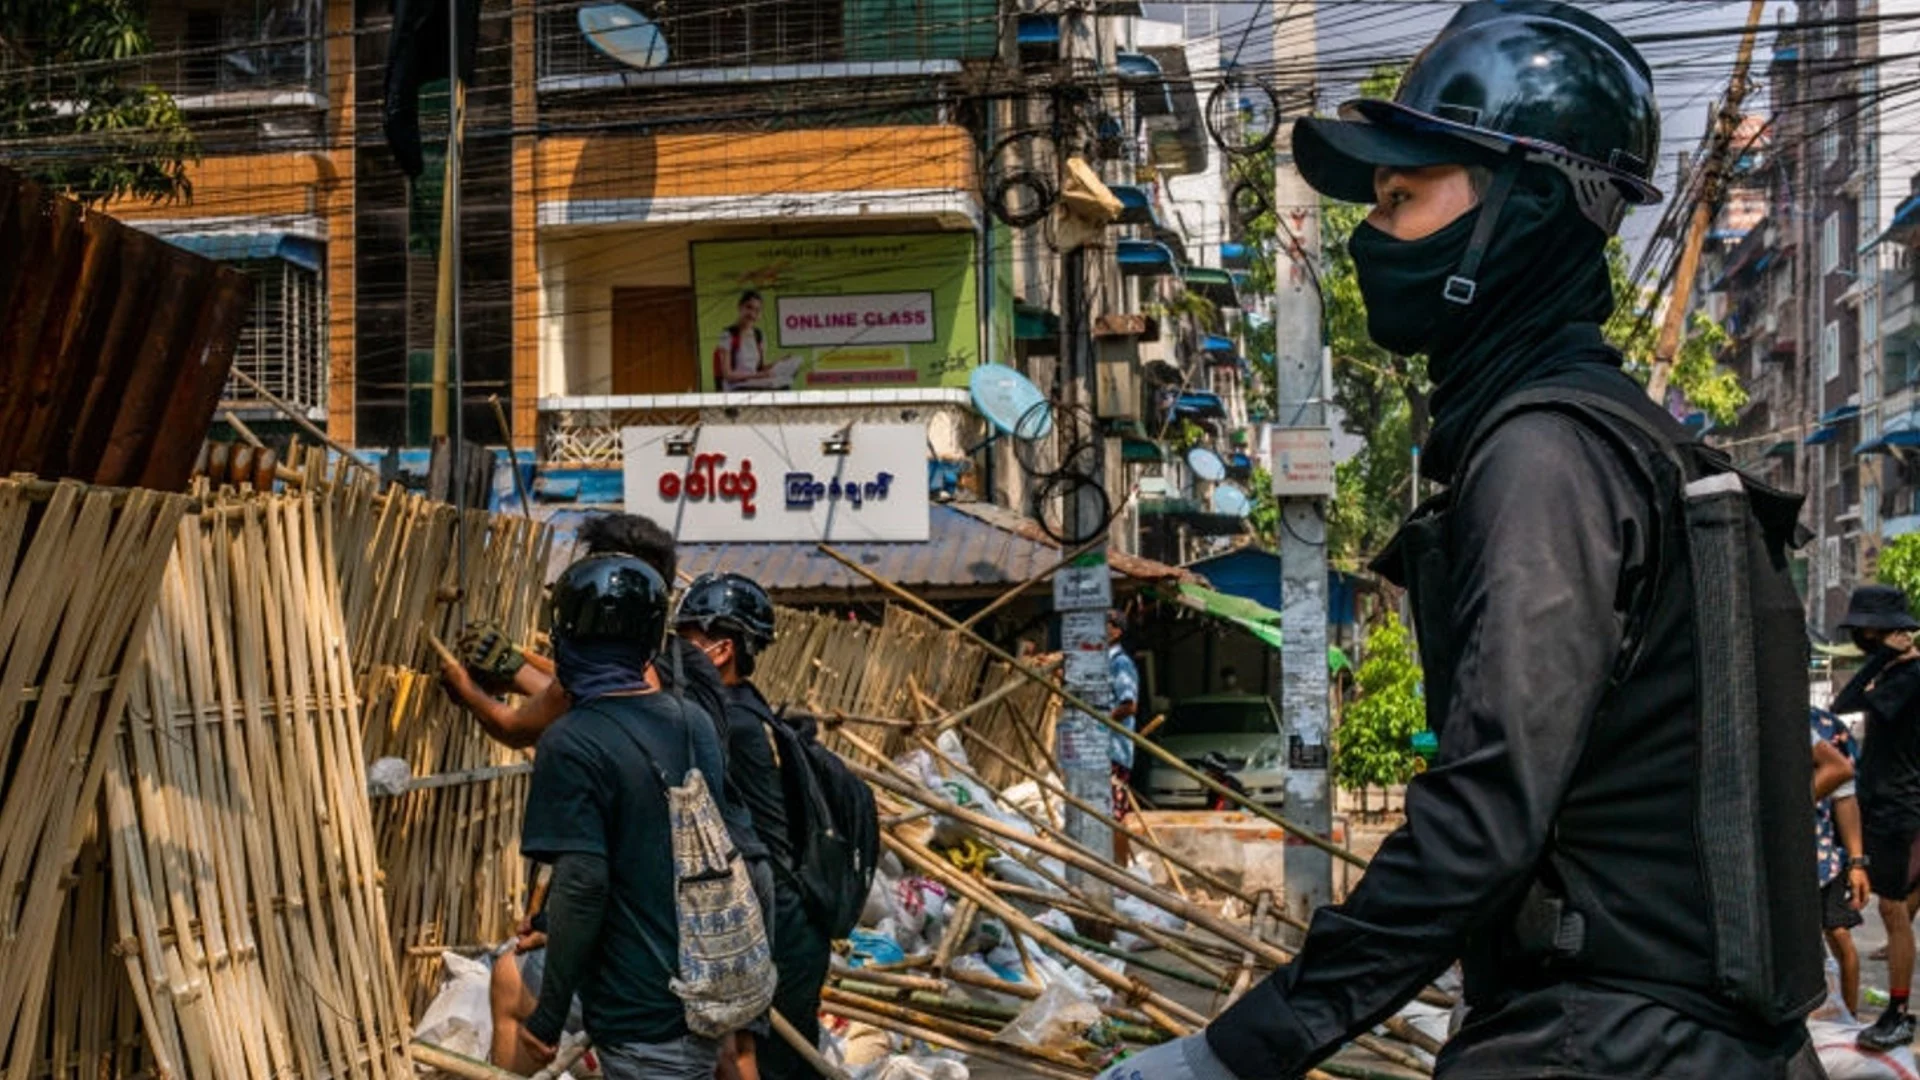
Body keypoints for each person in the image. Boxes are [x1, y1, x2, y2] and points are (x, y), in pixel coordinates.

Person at [1098, 4, 1824, 1077]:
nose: (1372, 234)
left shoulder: (1544, 455)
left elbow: (1486, 814)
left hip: (1595, 1045)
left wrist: (1239, 1051)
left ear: (1525, 207)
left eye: (1402, 197)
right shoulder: (1634, 442)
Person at [517, 553, 733, 1078]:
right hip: (704, 997)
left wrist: (548, 1016)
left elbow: (583, 885)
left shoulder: (572, 742)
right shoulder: (693, 724)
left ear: (565, 632)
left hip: (640, 1013)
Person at [675, 572, 832, 1080]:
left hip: (779, 918)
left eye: (686, 640)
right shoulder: (745, 707)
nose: (673, 653)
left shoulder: (723, 720)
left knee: (760, 1061)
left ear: (720, 650)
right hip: (792, 912)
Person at [1833, 584, 1920, 1049]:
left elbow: (1868, 705)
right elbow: (1844, 703)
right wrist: (1882, 659)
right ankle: (1898, 1002)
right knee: (1895, 908)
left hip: (1902, 804)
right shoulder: (1890, 669)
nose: (1864, 635)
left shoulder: (1912, 675)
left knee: (1892, 908)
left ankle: (1899, 1011)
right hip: (1881, 799)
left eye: (1870, 627)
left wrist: (1893, 661)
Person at [1812, 706, 1870, 1017]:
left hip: (1820, 858)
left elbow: (1845, 796)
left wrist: (1857, 863)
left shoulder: (1824, 724)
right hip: (1777, 860)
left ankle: (1848, 1020)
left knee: (1838, 933)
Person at [1107, 609, 1141, 868]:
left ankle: (1120, 870)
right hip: (1099, 750)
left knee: (1115, 814)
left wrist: (1101, 722)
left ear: (1116, 631)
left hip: (1113, 750)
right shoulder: (1102, 662)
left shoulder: (1120, 663)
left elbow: (1128, 704)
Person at [714, 291, 776, 391]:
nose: (752, 314)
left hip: (755, 386)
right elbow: (728, 375)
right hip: (735, 389)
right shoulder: (728, 335)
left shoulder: (759, 336)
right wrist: (756, 376)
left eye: (757, 310)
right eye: (749, 307)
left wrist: (780, 364)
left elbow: (761, 367)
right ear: (740, 307)